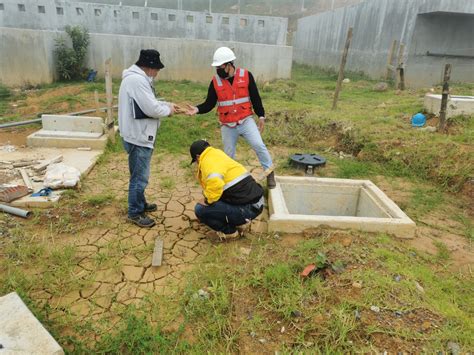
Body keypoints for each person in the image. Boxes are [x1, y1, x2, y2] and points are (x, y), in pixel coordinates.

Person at [185, 47, 276, 189]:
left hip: (246, 120)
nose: (218, 70)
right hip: (227, 124)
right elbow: (209, 103)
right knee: (228, 156)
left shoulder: (246, 75)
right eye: (216, 67)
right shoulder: (215, 81)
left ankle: (270, 173)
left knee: (258, 145)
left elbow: (255, 97)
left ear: (229, 65)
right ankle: (230, 183)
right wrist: (196, 109)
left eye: (220, 67)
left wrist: (261, 116)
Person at [118, 49, 175, 228]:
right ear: (149, 67)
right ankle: (135, 212)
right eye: (156, 69)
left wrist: (167, 104)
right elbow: (152, 109)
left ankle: (140, 204)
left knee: (138, 173)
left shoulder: (136, 79)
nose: (157, 73)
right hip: (138, 136)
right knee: (140, 177)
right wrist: (169, 110)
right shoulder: (137, 80)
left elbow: (148, 102)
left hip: (136, 133)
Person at [190, 140, 264, 240]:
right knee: (215, 200)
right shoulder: (217, 154)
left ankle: (230, 232)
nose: (197, 163)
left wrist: (207, 200)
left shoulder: (207, 161)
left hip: (248, 209)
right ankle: (239, 221)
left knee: (200, 209)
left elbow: (215, 183)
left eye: (196, 161)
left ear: (198, 156)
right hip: (256, 204)